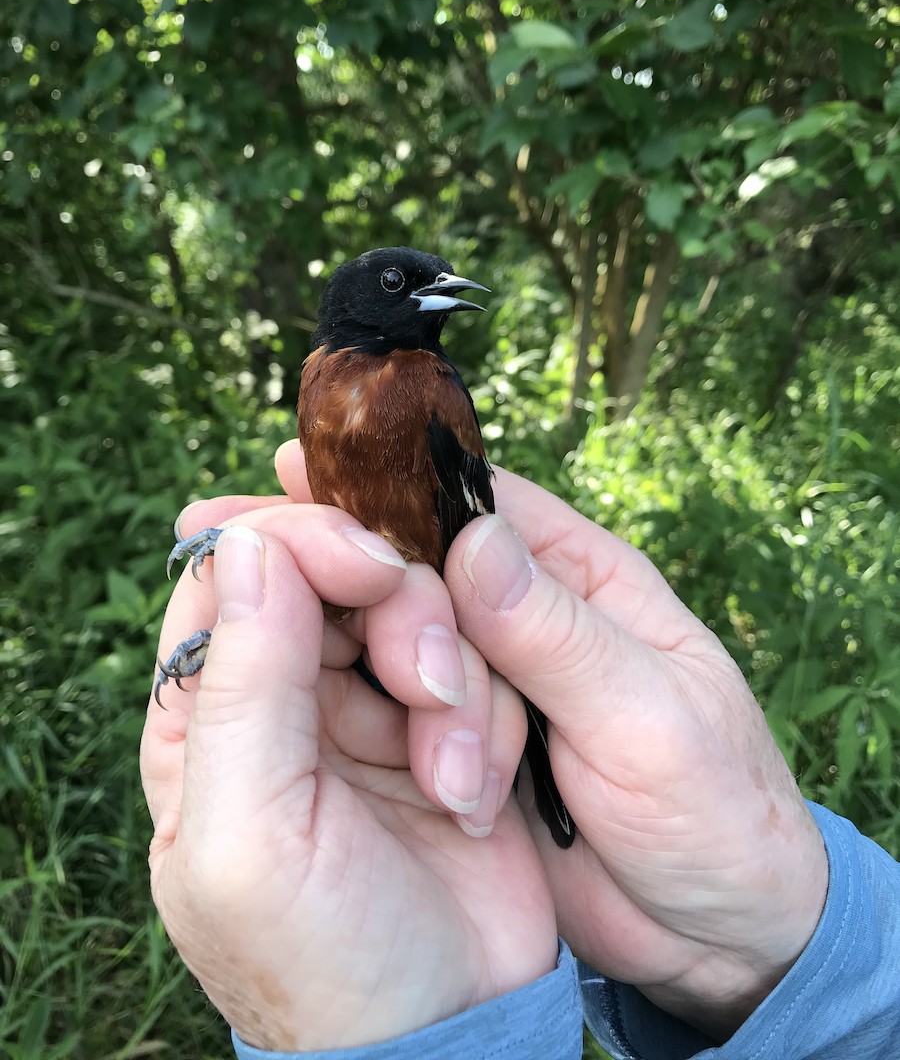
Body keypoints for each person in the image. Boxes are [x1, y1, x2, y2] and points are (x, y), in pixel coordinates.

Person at [140, 440, 900, 1059]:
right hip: (400, 626)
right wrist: (786, 959)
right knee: (353, 587)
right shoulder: (339, 382)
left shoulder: (424, 391)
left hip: (434, 608)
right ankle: (273, 597)